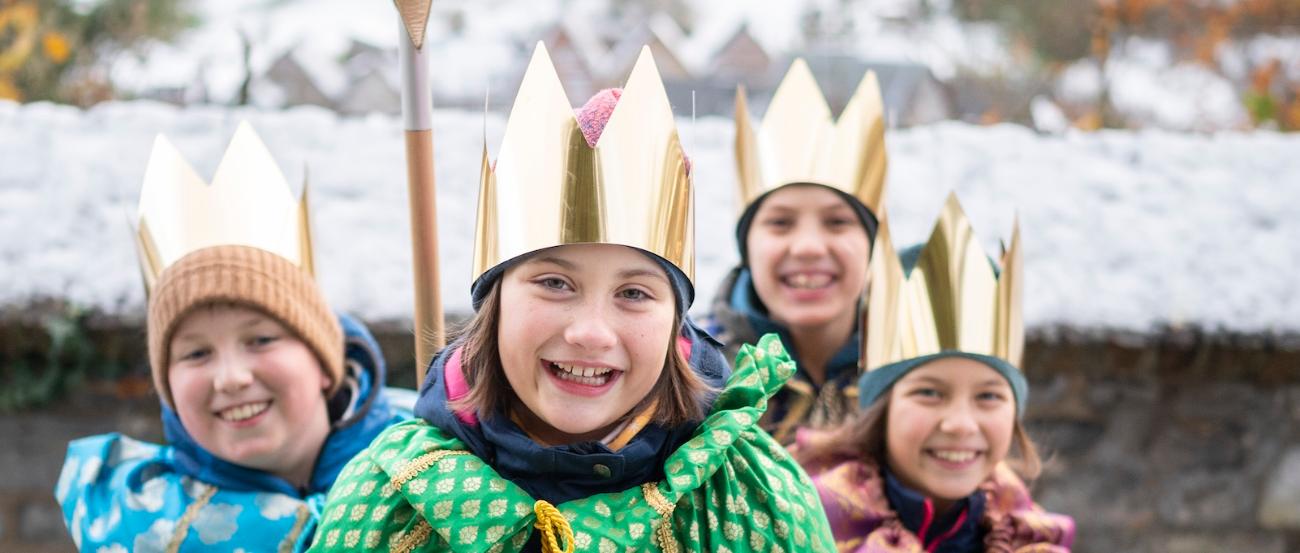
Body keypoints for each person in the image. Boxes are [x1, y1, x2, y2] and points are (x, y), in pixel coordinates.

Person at [307, 44, 835, 553]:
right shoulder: (386, 501)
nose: (590, 331)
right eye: (555, 284)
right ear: (496, 303)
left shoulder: (754, 501)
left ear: (677, 323)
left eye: (633, 293)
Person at [55, 123, 411, 552]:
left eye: (260, 340)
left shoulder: (437, 465)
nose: (231, 377)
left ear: (323, 358)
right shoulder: (137, 529)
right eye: (196, 353)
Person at [793, 194, 1075, 552]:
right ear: (882, 409)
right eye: (929, 393)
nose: (960, 424)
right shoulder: (804, 527)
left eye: (988, 396)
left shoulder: (1029, 538)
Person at [706, 59, 889, 442]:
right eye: (780, 223)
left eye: (838, 222)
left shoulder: (911, 378)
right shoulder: (694, 378)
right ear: (747, 246)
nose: (807, 247)